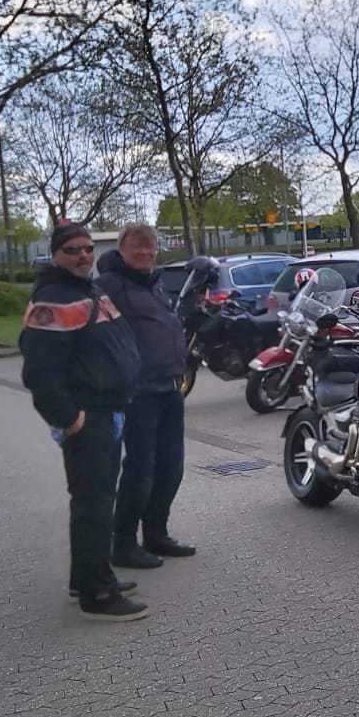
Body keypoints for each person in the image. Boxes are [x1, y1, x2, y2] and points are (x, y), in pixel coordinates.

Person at [20, 221, 145, 622]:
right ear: (55, 254)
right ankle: (98, 594)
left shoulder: (87, 289)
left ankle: (87, 576)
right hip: (88, 417)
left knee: (99, 500)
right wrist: (70, 419)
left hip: (109, 410)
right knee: (93, 504)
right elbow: (40, 372)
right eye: (72, 250)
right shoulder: (52, 300)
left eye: (88, 248)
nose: (83, 256)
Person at [96, 224, 197, 570]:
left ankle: (156, 533)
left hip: (169, 388)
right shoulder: (109, 286)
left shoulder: (153, 284)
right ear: (122, 249)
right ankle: (123, 543)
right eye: (137, 246)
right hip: (138, 394)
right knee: (141, 470)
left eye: (150, 246)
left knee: (171, 468)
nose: (144, 253)